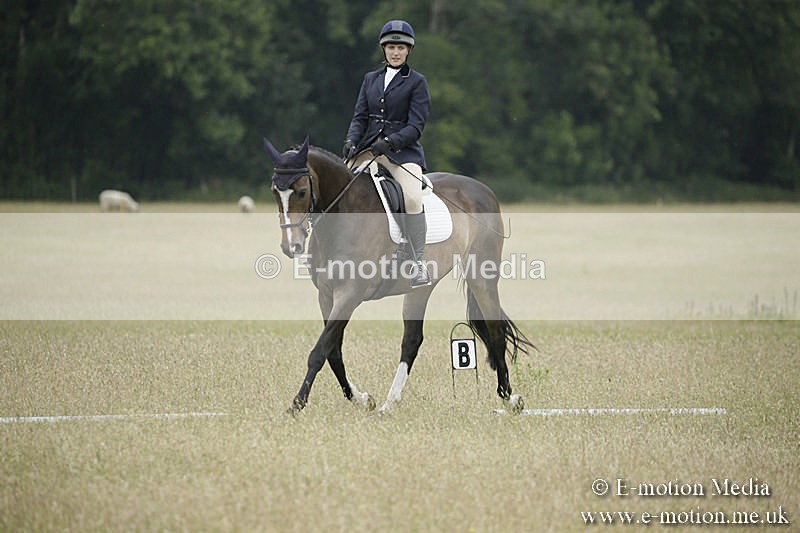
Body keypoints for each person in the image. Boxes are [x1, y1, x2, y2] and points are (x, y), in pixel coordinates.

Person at [343, 19, 432, 288]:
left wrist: (391, 143)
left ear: (408, 51)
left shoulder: (417, 82)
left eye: (401, 48)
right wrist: (351, 140)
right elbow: (360, 117)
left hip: (402, 155)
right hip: (367, 150)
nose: (395, 52)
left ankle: (417, 262)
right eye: (391, 47)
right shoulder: (370, 79)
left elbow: (416, 126)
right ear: (384, 49)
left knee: (413, 199)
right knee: (335, 187)